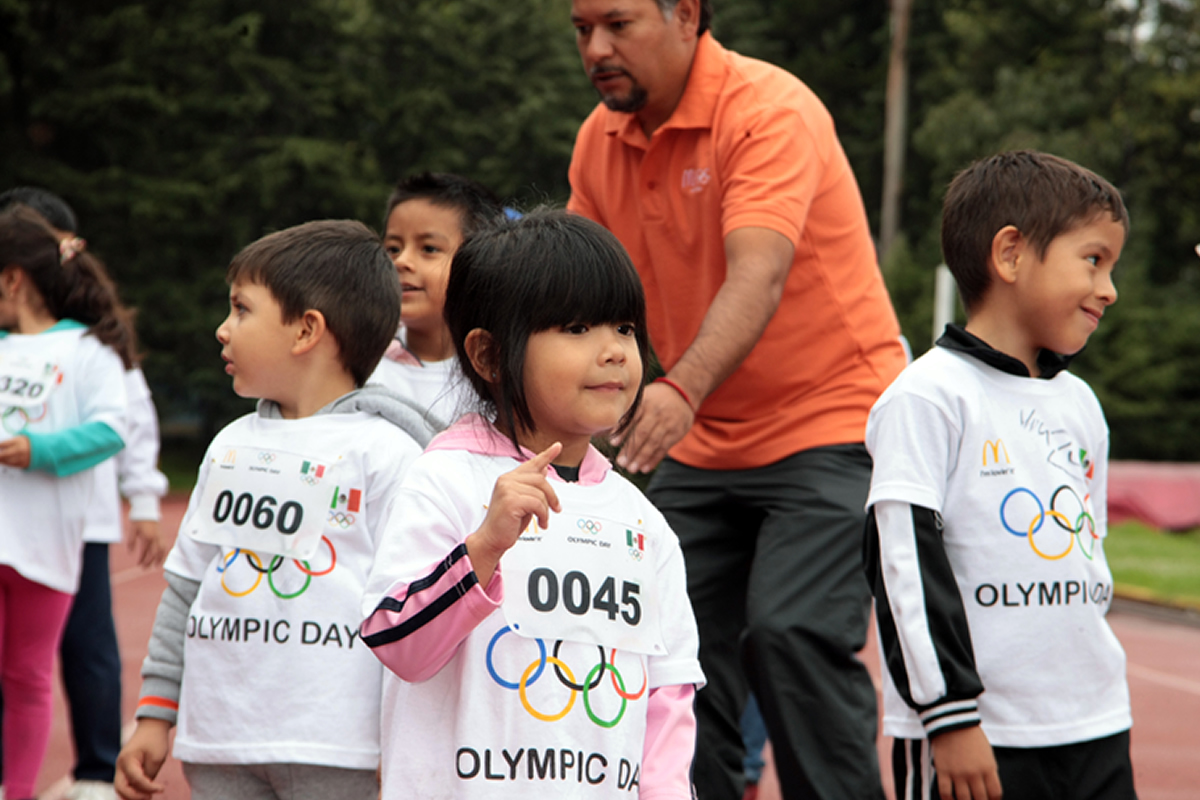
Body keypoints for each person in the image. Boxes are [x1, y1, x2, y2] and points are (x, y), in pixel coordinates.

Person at [566, 1, 907, 797]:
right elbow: (573, 289)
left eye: (617, 25)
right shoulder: (599, 140)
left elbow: (759, 272)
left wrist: (679, 387)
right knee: (656, 637)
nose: (596, 48)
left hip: (832, 418)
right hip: (706, 439)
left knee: (790, 630)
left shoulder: (767, 109)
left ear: (686, 14)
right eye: (582, 30)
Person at [360, 209, 705, 799]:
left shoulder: (644, 523)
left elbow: (667, 697)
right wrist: (481, 551)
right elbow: (398, 646)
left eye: (624, 327)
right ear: (489, 356)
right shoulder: (445, 481)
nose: (614, 351)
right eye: (576, 328)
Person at [114, 220, 436, 800]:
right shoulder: (230, 445)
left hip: (338, 749)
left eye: (241, 309)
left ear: (306, 330)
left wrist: (404, 739)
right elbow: (186, 588)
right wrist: (155, 714)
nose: (222, 328)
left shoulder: (387, 454)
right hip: (221, 743)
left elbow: (412, 610)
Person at [863, 150, 1136, 800]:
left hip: (1094, 723)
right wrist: (949, 714)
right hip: (976, 733)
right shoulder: (928, 396)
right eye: (1093, 260)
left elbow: (1088, 553)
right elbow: (903, 564)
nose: (1109, 289)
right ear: (1010, 254)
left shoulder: (1081, 405)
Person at [0, 187, 169, 800]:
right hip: (12, 524)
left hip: (73, 526)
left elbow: (128, 423)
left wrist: (144, 500)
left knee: (83, 649)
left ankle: (96, 771)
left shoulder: (95, 343)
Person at [367, 172, 505, 430]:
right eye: (393, 248)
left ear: (479, 262)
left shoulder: (499, 372)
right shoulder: (363, 361)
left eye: (429, 249)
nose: (401, 261)